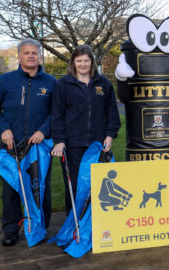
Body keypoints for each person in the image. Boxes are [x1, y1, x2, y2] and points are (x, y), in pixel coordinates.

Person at [0, 38, 57, 246]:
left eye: (35, 52)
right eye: (26, 53)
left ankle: (40, 226)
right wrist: (4, 129)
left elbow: (57, 112)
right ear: (19, 56)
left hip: (39, 147)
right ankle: (11, 230)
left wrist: (44, 131)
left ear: (40, 56)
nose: (31, 56)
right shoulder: (6, 81)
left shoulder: (51, 82)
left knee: (39, 187)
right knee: (11, 188)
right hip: (11, 144)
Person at [50, 45, 120, 216]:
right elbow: (57, 115)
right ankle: (75, 226)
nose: (83, 64)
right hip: (73, 146)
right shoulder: (63, 84)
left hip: (97, 145)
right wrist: (59, 140)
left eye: (86, 61)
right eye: (79, 60)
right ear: (73, 62)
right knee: (75, 187)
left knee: (98, 187)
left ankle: (95, 226)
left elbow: (112, 115)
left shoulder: (104, 85)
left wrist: (110, 136)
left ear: (92, 62)